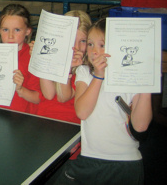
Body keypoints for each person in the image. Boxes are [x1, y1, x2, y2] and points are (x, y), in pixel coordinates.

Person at [56, 18, 152, 184]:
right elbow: (82, 111)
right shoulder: (85, 72)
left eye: (101, 45)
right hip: (89, 159)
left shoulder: (132, 77)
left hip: (126, 163)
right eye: (91, 44)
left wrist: (147, 85)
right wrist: (99, 75)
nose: (93, 51)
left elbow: (141, 126)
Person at [36, 10, 92, 123]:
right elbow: (48, 94)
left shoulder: (86, 68)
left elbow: (63, 97)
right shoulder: (53, 56)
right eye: (71, 40)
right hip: (43, 119)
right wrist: (42, 59)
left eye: (83, 41)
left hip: (69, 123)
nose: (76, 47)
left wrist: (67, 69)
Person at [0, 4, 41, 113]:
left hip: (24, 120)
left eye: (17, 30)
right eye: (5, 29)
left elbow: (38, 98)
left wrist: (21, 90)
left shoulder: (33, 56)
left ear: (28, 31)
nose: (11, 36)